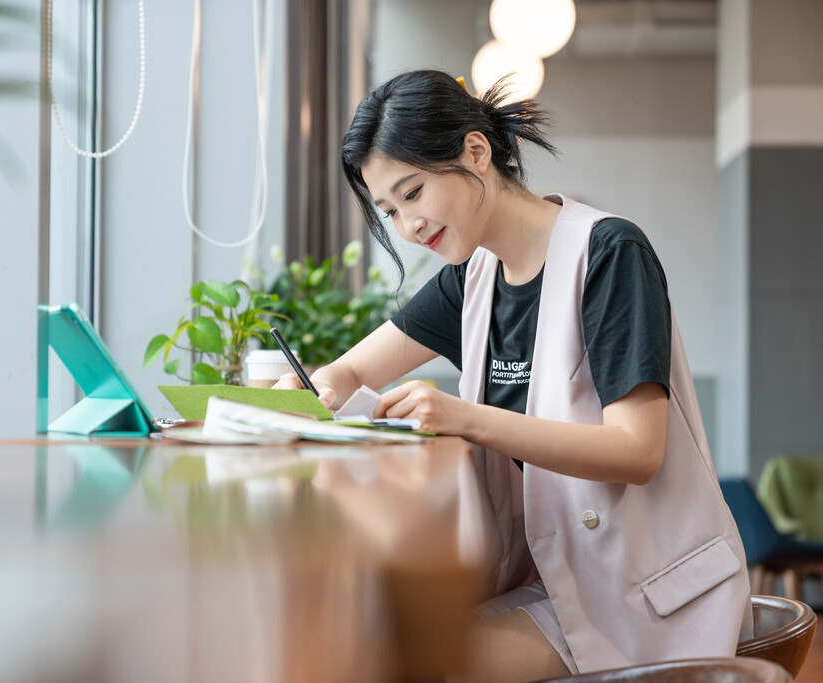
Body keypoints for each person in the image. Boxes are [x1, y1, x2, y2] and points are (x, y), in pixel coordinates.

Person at [273, 69, 753, 681]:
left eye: (413, 192)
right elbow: (346, 372)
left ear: (476, 151)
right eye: (389, 210)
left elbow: (636, 451)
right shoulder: (470, 279)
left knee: (412, 661)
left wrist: (463, 418)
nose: (408, 227)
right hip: (567, 584)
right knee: (372, 636)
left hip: (652, 597)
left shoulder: (608, 253)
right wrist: (309, 389)